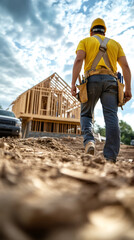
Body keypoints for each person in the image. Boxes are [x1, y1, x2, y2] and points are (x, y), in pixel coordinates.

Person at [71, 18, 132, 163]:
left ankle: (90, 142)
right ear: (105, 31)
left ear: (91, 31)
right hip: (111, 82)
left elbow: (79, 60)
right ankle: (110, 157)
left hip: (91, 80)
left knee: (86, 114)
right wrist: (128, 88)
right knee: (111, 117)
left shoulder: (86, 41)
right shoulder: (115, 44)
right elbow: (126, 67)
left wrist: (73, 84)